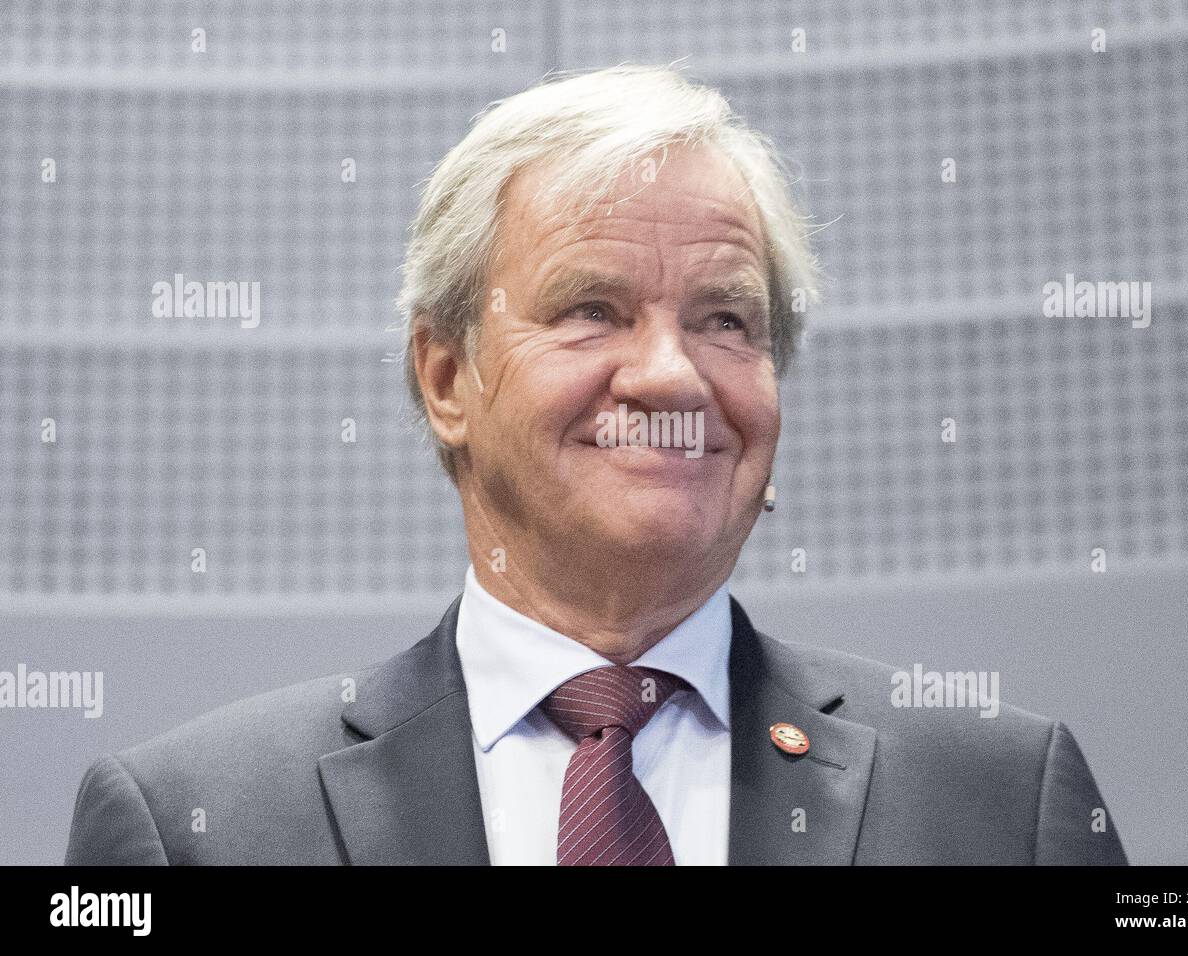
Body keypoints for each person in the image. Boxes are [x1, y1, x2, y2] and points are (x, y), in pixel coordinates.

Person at [65, 64, 1126, 866]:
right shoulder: (195, 824)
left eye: (725, 318)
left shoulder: (1000, 800)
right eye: (591, 310)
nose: (670, 375)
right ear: (446, 377)